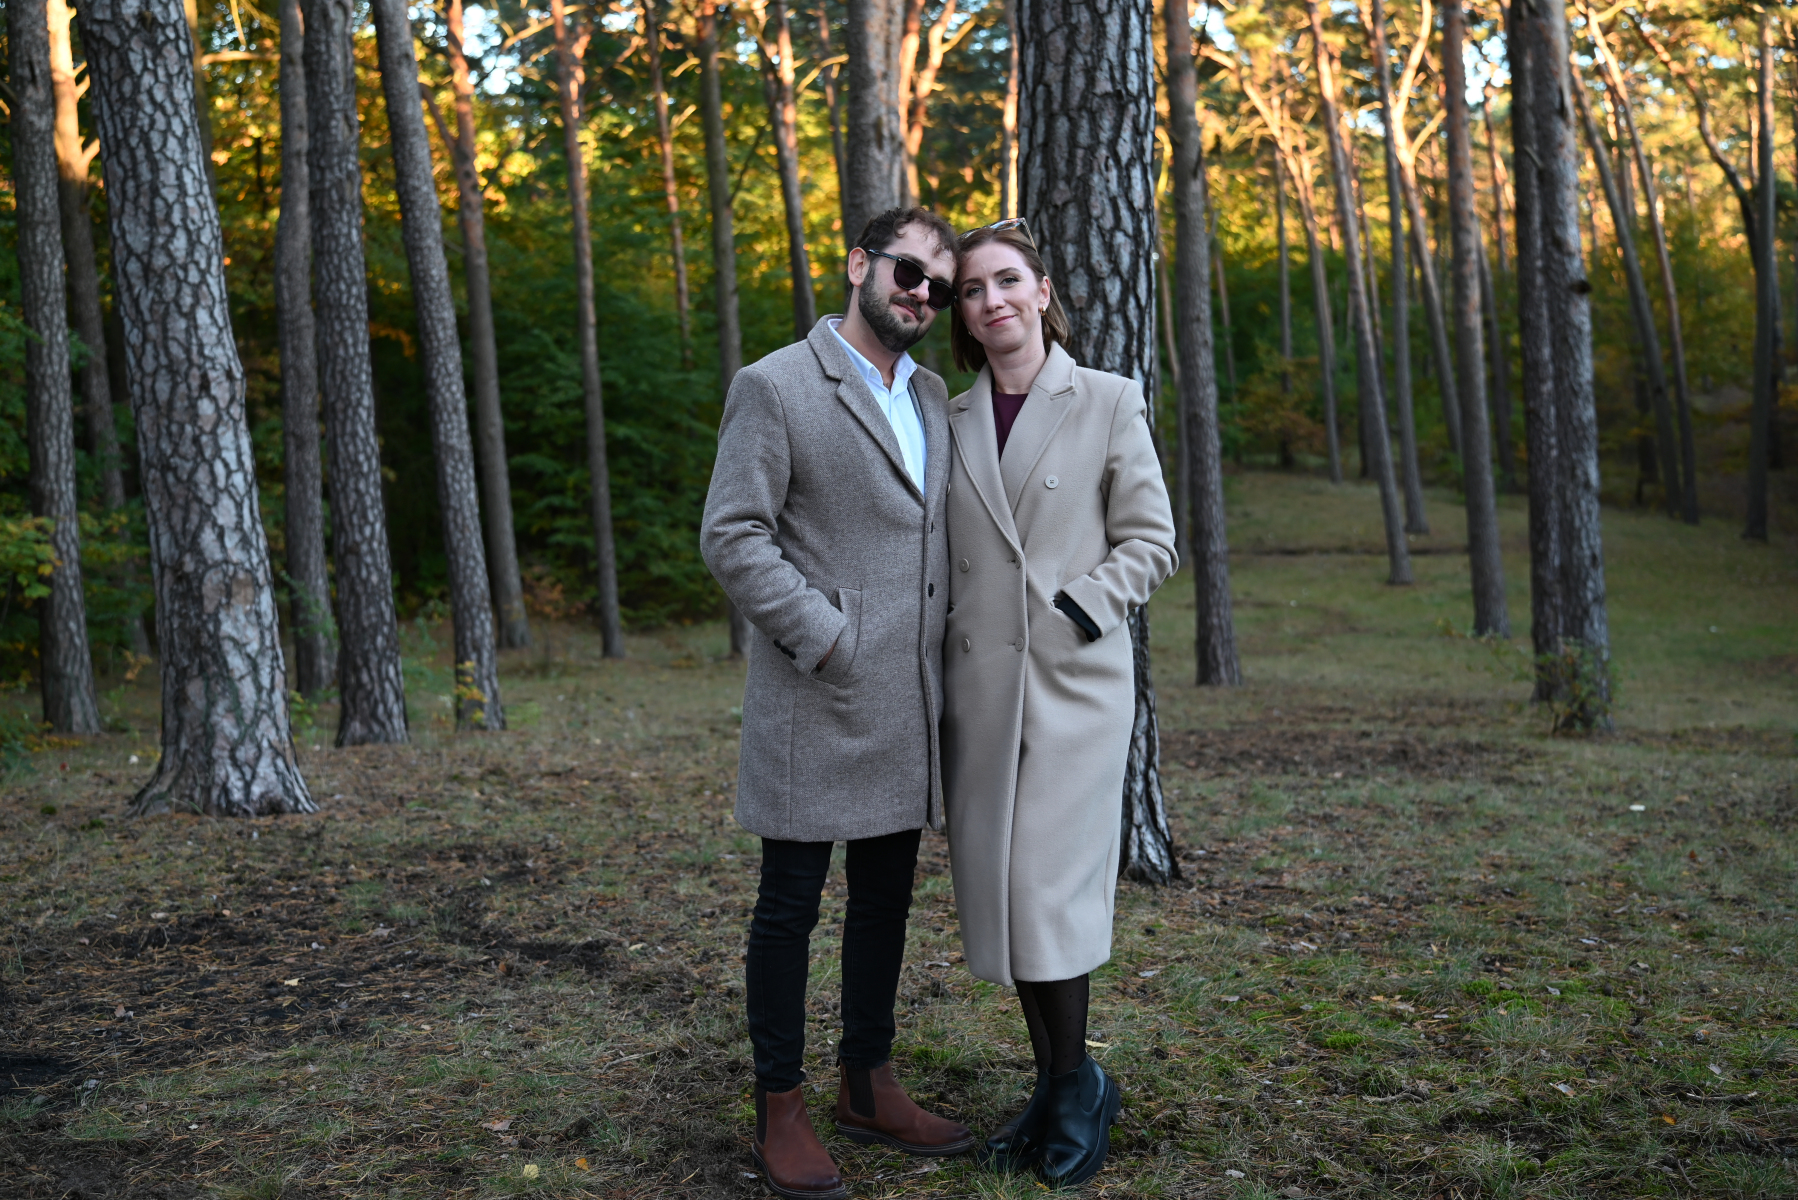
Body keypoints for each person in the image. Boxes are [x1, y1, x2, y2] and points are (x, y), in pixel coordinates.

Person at [701, 206, 976, 1200]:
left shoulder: (934, 395)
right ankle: (780, 1104)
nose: (921, 294)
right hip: (814, 694)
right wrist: (827, 635)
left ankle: (868, 1081)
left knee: (886, 897)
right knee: (790, 906)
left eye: (939, 287)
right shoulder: (776, 385)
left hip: (907, 702)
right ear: (861, 263)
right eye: (908, 271)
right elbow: (733, 534)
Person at [939, 218, 1178, 1188]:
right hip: (979, 693)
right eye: (971, 290)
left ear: (1042, 292)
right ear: (961, 315)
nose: (990, 300)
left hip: (1070, 687)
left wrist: (1076, 610)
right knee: (1005, 899)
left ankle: (1078, 1088)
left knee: (1042, 893)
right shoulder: (947, 417)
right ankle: (1054, 1086)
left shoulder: (1107, 399)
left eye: (1006, 281)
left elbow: (1152, 541)